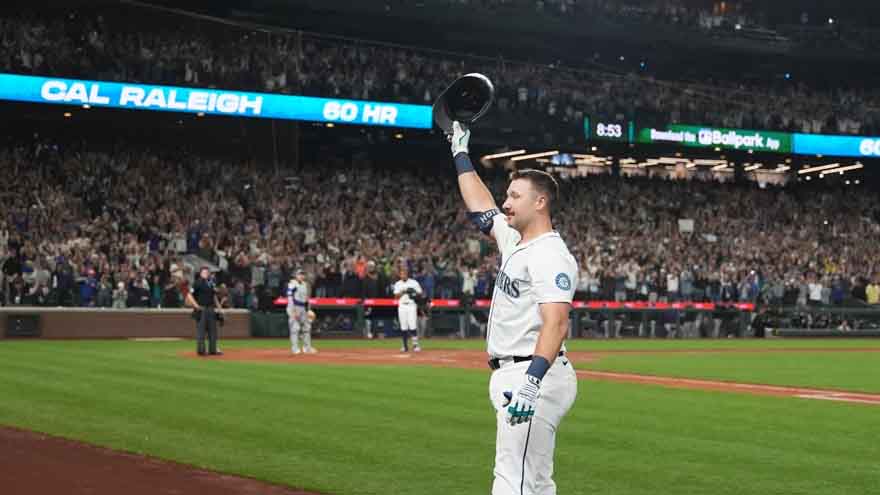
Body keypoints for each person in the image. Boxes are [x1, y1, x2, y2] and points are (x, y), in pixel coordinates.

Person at [448, 121, 578, 495]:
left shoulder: (550, 254)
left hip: (531, 372)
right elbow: (481, 207)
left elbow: (556, 324)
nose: (506, 202)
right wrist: (460, 154)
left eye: (515, 196)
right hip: (518, 372)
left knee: (511, 479)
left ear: (540, 202)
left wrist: (531, 383)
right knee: (534, 480)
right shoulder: (515, 240)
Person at [189, 266, 222, 356]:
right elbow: (189, 295)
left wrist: (219, 309)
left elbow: (214, 296)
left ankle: (213, 349)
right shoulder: (197, 283)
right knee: (201, 330)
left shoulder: (211, 283)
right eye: (205, 272)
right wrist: (196, 306)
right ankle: (201, 350)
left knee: (213, 330)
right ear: (201, 273)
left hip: (211, 308)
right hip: (202, 308)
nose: (207, 273)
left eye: (208, 272)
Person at [393, 267, 423, 352]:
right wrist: (403, 292)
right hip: (402, 306)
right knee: (403, 326)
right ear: (400, 275)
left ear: (407, 274)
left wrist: (413, 292)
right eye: (402, 274)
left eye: (405, 273)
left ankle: (415, 345)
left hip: (411, 305)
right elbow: (395, 297)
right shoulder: (398, 284)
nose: (403, 275)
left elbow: (420, 293)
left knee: (412, 325)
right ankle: (405, 346)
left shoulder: (413, 282)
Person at [287, 269, 317, 354]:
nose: (301, 276)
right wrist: (293, 311)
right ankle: (295, 348)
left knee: (307, 327)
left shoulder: (304, 284)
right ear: (296, 275)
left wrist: (308, 309)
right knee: (295, 328)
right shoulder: (292, 284)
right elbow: (290, 298)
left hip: (302, 307)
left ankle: (307, 348)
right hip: (294, 307)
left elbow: (306, 298)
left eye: (303, 274)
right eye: (300, 274)